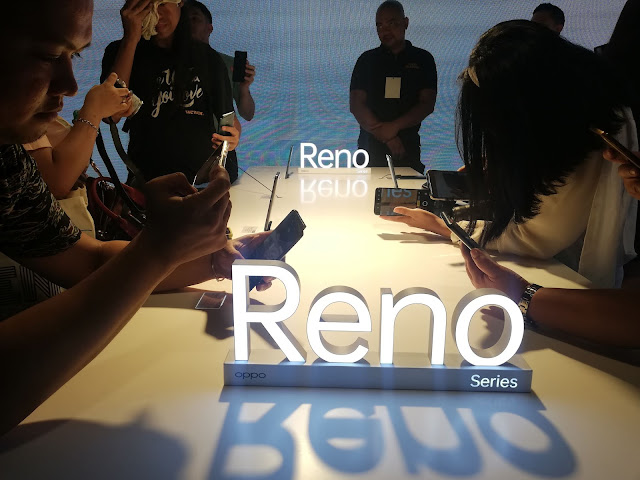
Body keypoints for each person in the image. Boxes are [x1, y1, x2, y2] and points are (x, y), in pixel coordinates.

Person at [0, 0, 269, 434]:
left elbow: (88, 260)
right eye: (48, 55)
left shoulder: (9, 162)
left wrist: (212, 260)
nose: (70, 85)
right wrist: (160, 251)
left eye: (74, 56)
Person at [384, 21, 638, 289]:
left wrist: (445, 227)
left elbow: (533, 239)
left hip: (567, 287)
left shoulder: (588, 145)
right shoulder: (575, 117)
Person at [102, 0, 242, 183]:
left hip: (206, 181)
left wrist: (232, 137)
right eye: (147, 5)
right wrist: (130, 38)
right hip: (149, 184)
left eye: (162, 3)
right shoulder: (121, 51)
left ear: (179, 3)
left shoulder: (206, 57)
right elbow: (110, 115)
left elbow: (228, 118)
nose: (156, 13)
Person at [350, 0, 437, 174]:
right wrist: (387, 136)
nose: (385, 30)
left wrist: (394, 127)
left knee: (409, 190)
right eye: (379, 25)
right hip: (369, 148)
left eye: (392, 23)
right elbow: (356, 105)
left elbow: (427, 104)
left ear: (405, 23)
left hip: (407, 147)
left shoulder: (423, 59)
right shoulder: (366, 60)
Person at [185, 0, 256, 122]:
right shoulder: (169, 62)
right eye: (184, 20)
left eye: (195, 18)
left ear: (209, 28)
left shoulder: (228, 64)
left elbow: (248, 114)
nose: (188, 24)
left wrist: (244, 89)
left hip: (219, 133)